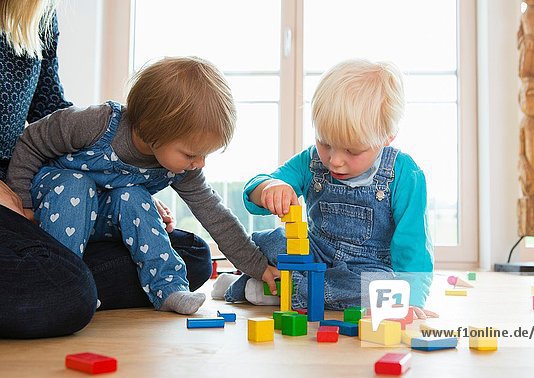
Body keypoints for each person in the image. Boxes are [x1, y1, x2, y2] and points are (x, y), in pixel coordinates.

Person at [2, 0, 216, 338]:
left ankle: (73, 286)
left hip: (46, 200)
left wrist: (120, 184)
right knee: (71, 191)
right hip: (18, 196)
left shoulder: (36, 15)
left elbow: (51, 115)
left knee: (194, 254)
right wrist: (21, 199)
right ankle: (68, 286)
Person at [7, 56, 277, 315]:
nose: (200, 163)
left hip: (101, 221)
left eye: (205, 155)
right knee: (75, 184)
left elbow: (215, 214)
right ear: (151, 128)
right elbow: (32, 142)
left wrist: (257, 266)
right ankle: (62, 284)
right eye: (191, 154)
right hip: (55, 205)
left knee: (134, 196)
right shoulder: (96, 123)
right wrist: (22, 204)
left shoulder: (183, 169)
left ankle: (168, 289)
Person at [212, 59, 436, 319]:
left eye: (352, 150)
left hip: (365, 268)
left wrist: (413, 299)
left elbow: (413, 245)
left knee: (378, 291)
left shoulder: (404, 174)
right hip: (312, 252)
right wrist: (269, 188)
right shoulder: (310, 161)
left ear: (387, 137)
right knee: (270, 241)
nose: (334, 160)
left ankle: (263, 289)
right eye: (325, 143)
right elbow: (253, 193)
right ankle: (284, 287)